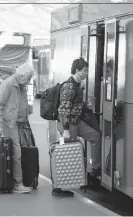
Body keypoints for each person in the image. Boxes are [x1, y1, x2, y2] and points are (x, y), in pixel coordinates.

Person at [56, 57, 101, 197]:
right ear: (77, 70)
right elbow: (63, 110)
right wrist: (66, 130)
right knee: (68, 153)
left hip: (76, 122)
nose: (86, 74)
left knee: (95, 136)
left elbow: (74, 104)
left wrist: (84, 105)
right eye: (84, 71)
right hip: (69, 123)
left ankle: (95, 169)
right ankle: (59, 188)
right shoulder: (69, 86)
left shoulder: (77, 85)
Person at [0, 62, 34, 193]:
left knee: (16, 152)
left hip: (18, 123)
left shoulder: (21, 85)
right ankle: (18, 183)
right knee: (17, 152)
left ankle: (15, 181)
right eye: (28, 78)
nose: (29, 81)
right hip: (8, 123)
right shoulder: (8, 84)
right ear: (21, 75)